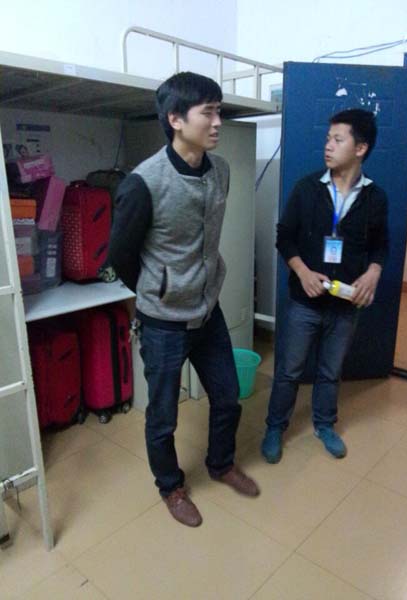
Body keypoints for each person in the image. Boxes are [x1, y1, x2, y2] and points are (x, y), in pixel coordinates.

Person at [108, 72, 259, 528]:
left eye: (219, 111)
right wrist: (158, 290)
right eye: (207, 112)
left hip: (208, 312)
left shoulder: (222, 171)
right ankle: (170, 486)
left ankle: (221, 464)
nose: (218, 122)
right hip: (163, 323)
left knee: (228, 397)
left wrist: (199, 287)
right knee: (163, 416)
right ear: (175, 119)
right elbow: (120, 256)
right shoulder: (144, 183)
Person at [261, 108, 388, 463]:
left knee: (331, 372)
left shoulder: (375, 198)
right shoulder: (307, 189)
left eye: (337, 139)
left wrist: (374, 272)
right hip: (305, 301)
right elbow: (284, 237)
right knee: (289, 370)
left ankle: (324, 424)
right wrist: (302, 271)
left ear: (360, 148)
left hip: (345, 305)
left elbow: (381, 245)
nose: (328, 145)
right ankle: (275, 427)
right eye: (327, 139)